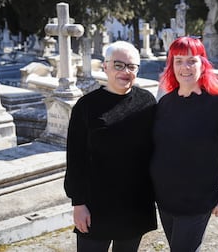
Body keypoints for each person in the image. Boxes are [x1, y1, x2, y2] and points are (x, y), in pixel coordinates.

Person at [150, 36, 218, 252]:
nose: (184, 67)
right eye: (178, 61)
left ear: (202, 64)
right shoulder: (166, 103)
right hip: (165, 201)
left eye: (191, 60)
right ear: (171, 66)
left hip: (197, 202)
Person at [64, 41, 157, 251]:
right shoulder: (86, 106)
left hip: (136, 203)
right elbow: (75, 158)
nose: (125, 71)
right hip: (96, 205)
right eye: (118, 65)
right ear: (105, 67)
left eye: (131, 66)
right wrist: (78, 204)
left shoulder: (147, 102)